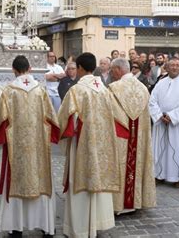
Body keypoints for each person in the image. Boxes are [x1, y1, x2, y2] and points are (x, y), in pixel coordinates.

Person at [0, 55, 59, 237]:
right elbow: (52, 119)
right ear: (29, 68)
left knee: (17, 183)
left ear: (14, 70)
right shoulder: (41, 90)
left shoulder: (9, 91)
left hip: (17, 147)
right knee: (41, 182)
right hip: (39, 148)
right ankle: (45, 226)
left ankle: (16, 228)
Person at [57, 52, 120, 237]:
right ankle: (99, 222)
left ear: (82, 69)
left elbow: (64, 119)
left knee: (81, 180)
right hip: (102, 146)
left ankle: (81, 228)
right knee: (98, 179)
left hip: (82, 144)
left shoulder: (77, 90)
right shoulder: (105, 89)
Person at [108, 58, 156, 213]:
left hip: (121, 138)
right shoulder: (143, 88)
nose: (111, 73)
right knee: (137, 163)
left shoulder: (114, 88)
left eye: (112, 70)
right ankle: (135, 202)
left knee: (121, 163)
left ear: (117, 69)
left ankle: (118, 205)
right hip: (138, 137)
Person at [149, 58, 179, 188]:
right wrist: (159, 115)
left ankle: (176, 177)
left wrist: (172, 116)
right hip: (161, 122)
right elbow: (152, 101)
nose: (174, 68)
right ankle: (158, 175)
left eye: (177, 66)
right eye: (172, 65)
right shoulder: (160, 83)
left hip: (177, 124)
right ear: (167, 67)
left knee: (177, 148)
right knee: (159, 149)